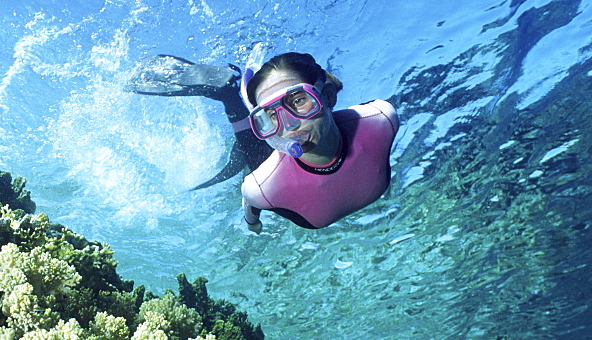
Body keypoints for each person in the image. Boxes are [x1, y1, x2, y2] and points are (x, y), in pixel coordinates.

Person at [127, 47, 398, 230]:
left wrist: (253, 225)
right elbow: (251, 206)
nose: (289, 125)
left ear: (327, 96)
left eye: (299, 101)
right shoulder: (261, 184)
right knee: (254, 154)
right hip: (272, 163)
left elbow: (252, 216)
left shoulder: (381, 119)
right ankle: (230, 94)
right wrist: (253, 225)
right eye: (268, 115)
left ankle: (234, 94)